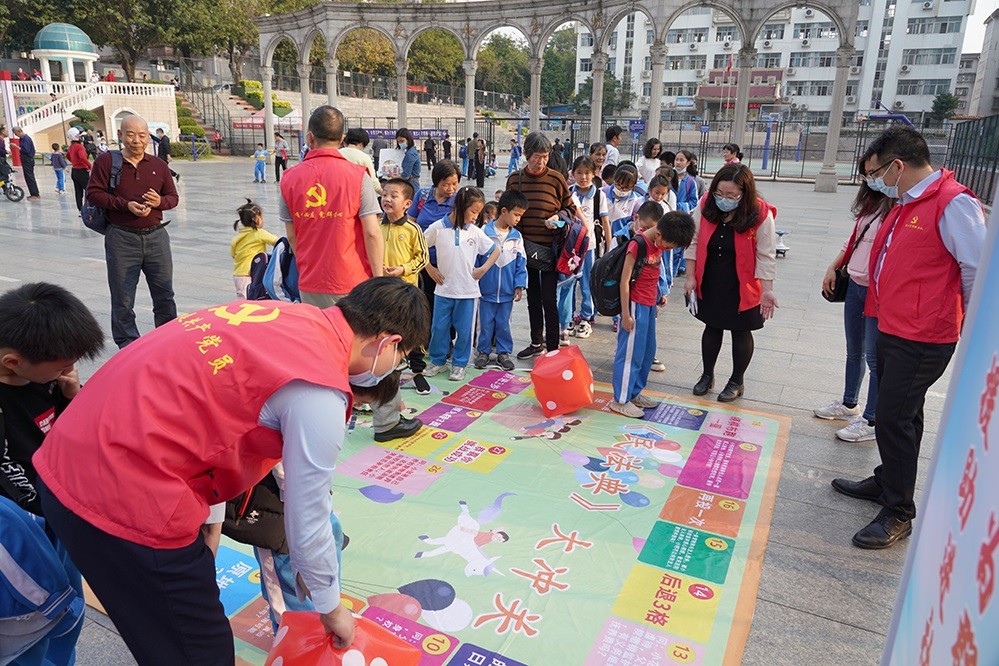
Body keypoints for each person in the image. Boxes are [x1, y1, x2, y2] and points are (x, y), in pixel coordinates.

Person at [34, 277, 430, 663]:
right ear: (388, 343)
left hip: (65, 459)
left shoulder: (285, 315)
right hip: (121, 497)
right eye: (401, 357)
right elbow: (308, 512)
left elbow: (209, 412)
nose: (393, 367)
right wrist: (330, 607)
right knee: (200, 651)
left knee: (159, 628)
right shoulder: (319, 388)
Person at [832, 126, 986, 550]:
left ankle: (898, 511)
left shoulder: (953, 203)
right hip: (892, 324)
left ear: (897, 166)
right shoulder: (906, 202)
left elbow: (976, 268)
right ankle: (888, 481)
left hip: (923, 335)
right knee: (904, 414)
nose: (873, 182)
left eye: (875, 173)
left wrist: (972, 331)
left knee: (894, 417)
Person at [0, 282, 105, 666]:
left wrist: (73, 396)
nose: (69, 371)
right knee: (32, 620)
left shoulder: (48, 380)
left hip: (57, 511)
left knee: (67, 606)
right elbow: (8, 472)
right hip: (22, 530)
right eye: (61, 366)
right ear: (13, 362)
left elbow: (82, 433)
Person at [683, 163, 778, 403]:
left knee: (740, 331)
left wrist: (767, 290)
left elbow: (766, 255)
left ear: (744, 194)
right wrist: (690, 277)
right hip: (712, 277)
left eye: (731, 195)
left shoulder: (760, 214)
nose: (723, 200)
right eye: (719, 193)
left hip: (743, 283)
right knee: (712, 326)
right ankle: (707, 375)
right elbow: (693, 241)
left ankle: (737, 381)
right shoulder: (706, 204)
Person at [813, 175, 894, 442]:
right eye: (866, 174)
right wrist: (832, 267)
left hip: (876, 290)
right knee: (854, 350)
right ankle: (849, 403)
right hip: (856, 285)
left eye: (874, 172)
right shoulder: (871, 205)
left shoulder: (898, 207)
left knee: (874, 357)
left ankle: (871, 419)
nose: (870, 179)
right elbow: (851, 242)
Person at [88, 115, 179, 349]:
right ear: (120, 135)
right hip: (121, 237)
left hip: (157, 236)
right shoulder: (106, 161)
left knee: (165, 295)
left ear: (148, 137)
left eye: (142, 135)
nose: (136, 140)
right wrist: (125, 205)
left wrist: (159, 202)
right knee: (123, 298)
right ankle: (127, 345)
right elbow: (94, 194)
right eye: (130, 134)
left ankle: (168, 342)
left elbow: (173, 197)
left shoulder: (158, 165)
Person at [280, 106, 383, 309]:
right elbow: (372, 233)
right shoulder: (358, 176)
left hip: (310, 281)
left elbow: (292, 236)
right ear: (342, 138)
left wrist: (307, 266)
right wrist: (379, 280)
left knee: (317, 329)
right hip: (353, 280)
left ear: (310, 138)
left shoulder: (289, 178)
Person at [610, 207, 695, 417]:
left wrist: (658, 296)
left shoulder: (658, 243)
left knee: (647, 352)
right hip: (634, 306)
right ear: (658, 234)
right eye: (668, 246)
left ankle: (634, 392)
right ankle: (621, 399)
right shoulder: (637, 244)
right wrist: (625, 314)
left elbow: (653, 273)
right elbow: (624, 281)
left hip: (648, 305)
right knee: (630, 354)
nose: (667, 249)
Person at [507, 132, 577, 357]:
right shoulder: (515, 179)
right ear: (526, 154)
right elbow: (507, 211)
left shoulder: (556, 179)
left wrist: (558, 216)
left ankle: (553, 347)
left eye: (545, 157)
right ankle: (536, 342)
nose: (541, 162)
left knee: (549, 298)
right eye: (537, 157)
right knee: (533, 299)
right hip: (525, 249)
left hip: (551, 249)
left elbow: (570, 209)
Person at [423, 187, 501, 382]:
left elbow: (496, 250)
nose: (476, 217)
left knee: (465, 331)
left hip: (468, 292)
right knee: (439, 328)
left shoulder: (475, 232)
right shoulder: (437, 228)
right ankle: (437, 361)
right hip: (443, 290)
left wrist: (483, 269)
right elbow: (419, 247)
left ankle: (459, 364)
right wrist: (430, 269)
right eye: (473, 211)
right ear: (460, 206)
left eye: (478, 212)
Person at [377, 177, 430, 437]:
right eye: (385, 194)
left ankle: (418, 372)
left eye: (394, 195)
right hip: (381, 291)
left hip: (406, 292)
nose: (387, 199)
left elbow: (423, 258)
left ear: (407, 203)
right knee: (385, 338)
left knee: (412, 336)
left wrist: (403, 269)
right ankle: (382, 380)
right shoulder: (375, 225)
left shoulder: (412, 229)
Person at [407, 160, 461, 364]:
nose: (451, 188)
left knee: (447, 304)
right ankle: (425, 341)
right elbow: (411, 222)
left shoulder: (458, 201)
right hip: (422, 261)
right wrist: (424, 263)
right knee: (425, 303)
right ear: (436, 182)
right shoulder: (422, 196)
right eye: (446, 184)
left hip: (447, 263)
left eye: (455, 183)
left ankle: (446, 342)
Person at [475, 189, 528, 372]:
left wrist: (519, 284)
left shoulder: (517, 237)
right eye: (516, 215)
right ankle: (483, 351)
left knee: (504, 323)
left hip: (506, 292)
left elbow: (521, 262)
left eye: (520, 216)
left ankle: (503, 353)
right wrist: (475, 281)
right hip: (485, 291)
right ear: (504, 211)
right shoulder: (484, 232)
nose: (518, 219)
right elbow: (476, 259)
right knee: (485, 323)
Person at [563, 156, 609, 341]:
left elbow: (605, 221)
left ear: (594, 173)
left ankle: (586, 317)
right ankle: (570, 316)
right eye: (579, 173)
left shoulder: (599, 195)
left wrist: (609, 247)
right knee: (569, 282)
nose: (583, 177)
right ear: (573, 174)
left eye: (587, 173)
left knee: (588, 282)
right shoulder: (568, 193)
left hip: (589, 247)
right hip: (570, 247)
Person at [230, 198, 277, 299]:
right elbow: (277, 242)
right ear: (256, 219)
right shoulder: (260, 233)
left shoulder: (236, 238)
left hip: (238, 274)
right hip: (253, 273)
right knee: (251, 299)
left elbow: (233, 255)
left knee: (243, 299)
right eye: (261, 217)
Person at [339, 127, 383, 195]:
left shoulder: (337, 153)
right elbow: (373, 181)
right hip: (355, 193)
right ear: (362, 144)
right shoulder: (364, 157)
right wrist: (383, 193)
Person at [11, 127, 40, 200]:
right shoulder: (22, 139)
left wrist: (16, 147)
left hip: (28, 159)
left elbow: (26, 150)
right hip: (26, 159)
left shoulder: (26, 139)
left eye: (15, 133)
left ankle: (35, 194)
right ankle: (33, 193)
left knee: (29, 177)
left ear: (19, 131)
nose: (15, 135)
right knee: (28, 176)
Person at [66, 127, 90, 212]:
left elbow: (67, 156)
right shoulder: (79, 147)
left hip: (74, 171)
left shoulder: (71, 147)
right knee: (89, 189)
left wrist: (74, 162)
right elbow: (83, 157)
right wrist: (89, 166)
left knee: (78, 191)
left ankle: (80, 209)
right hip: (82, 171)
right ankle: (88, 207)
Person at [397, 128, 421, 192]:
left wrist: (394, 177)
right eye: (398, 141)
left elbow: (406, 175)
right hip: (411, 183)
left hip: (411, 184)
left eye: (402, 141)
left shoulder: (410, 154)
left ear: (408, 140)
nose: (400, 143)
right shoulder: (410, 151)